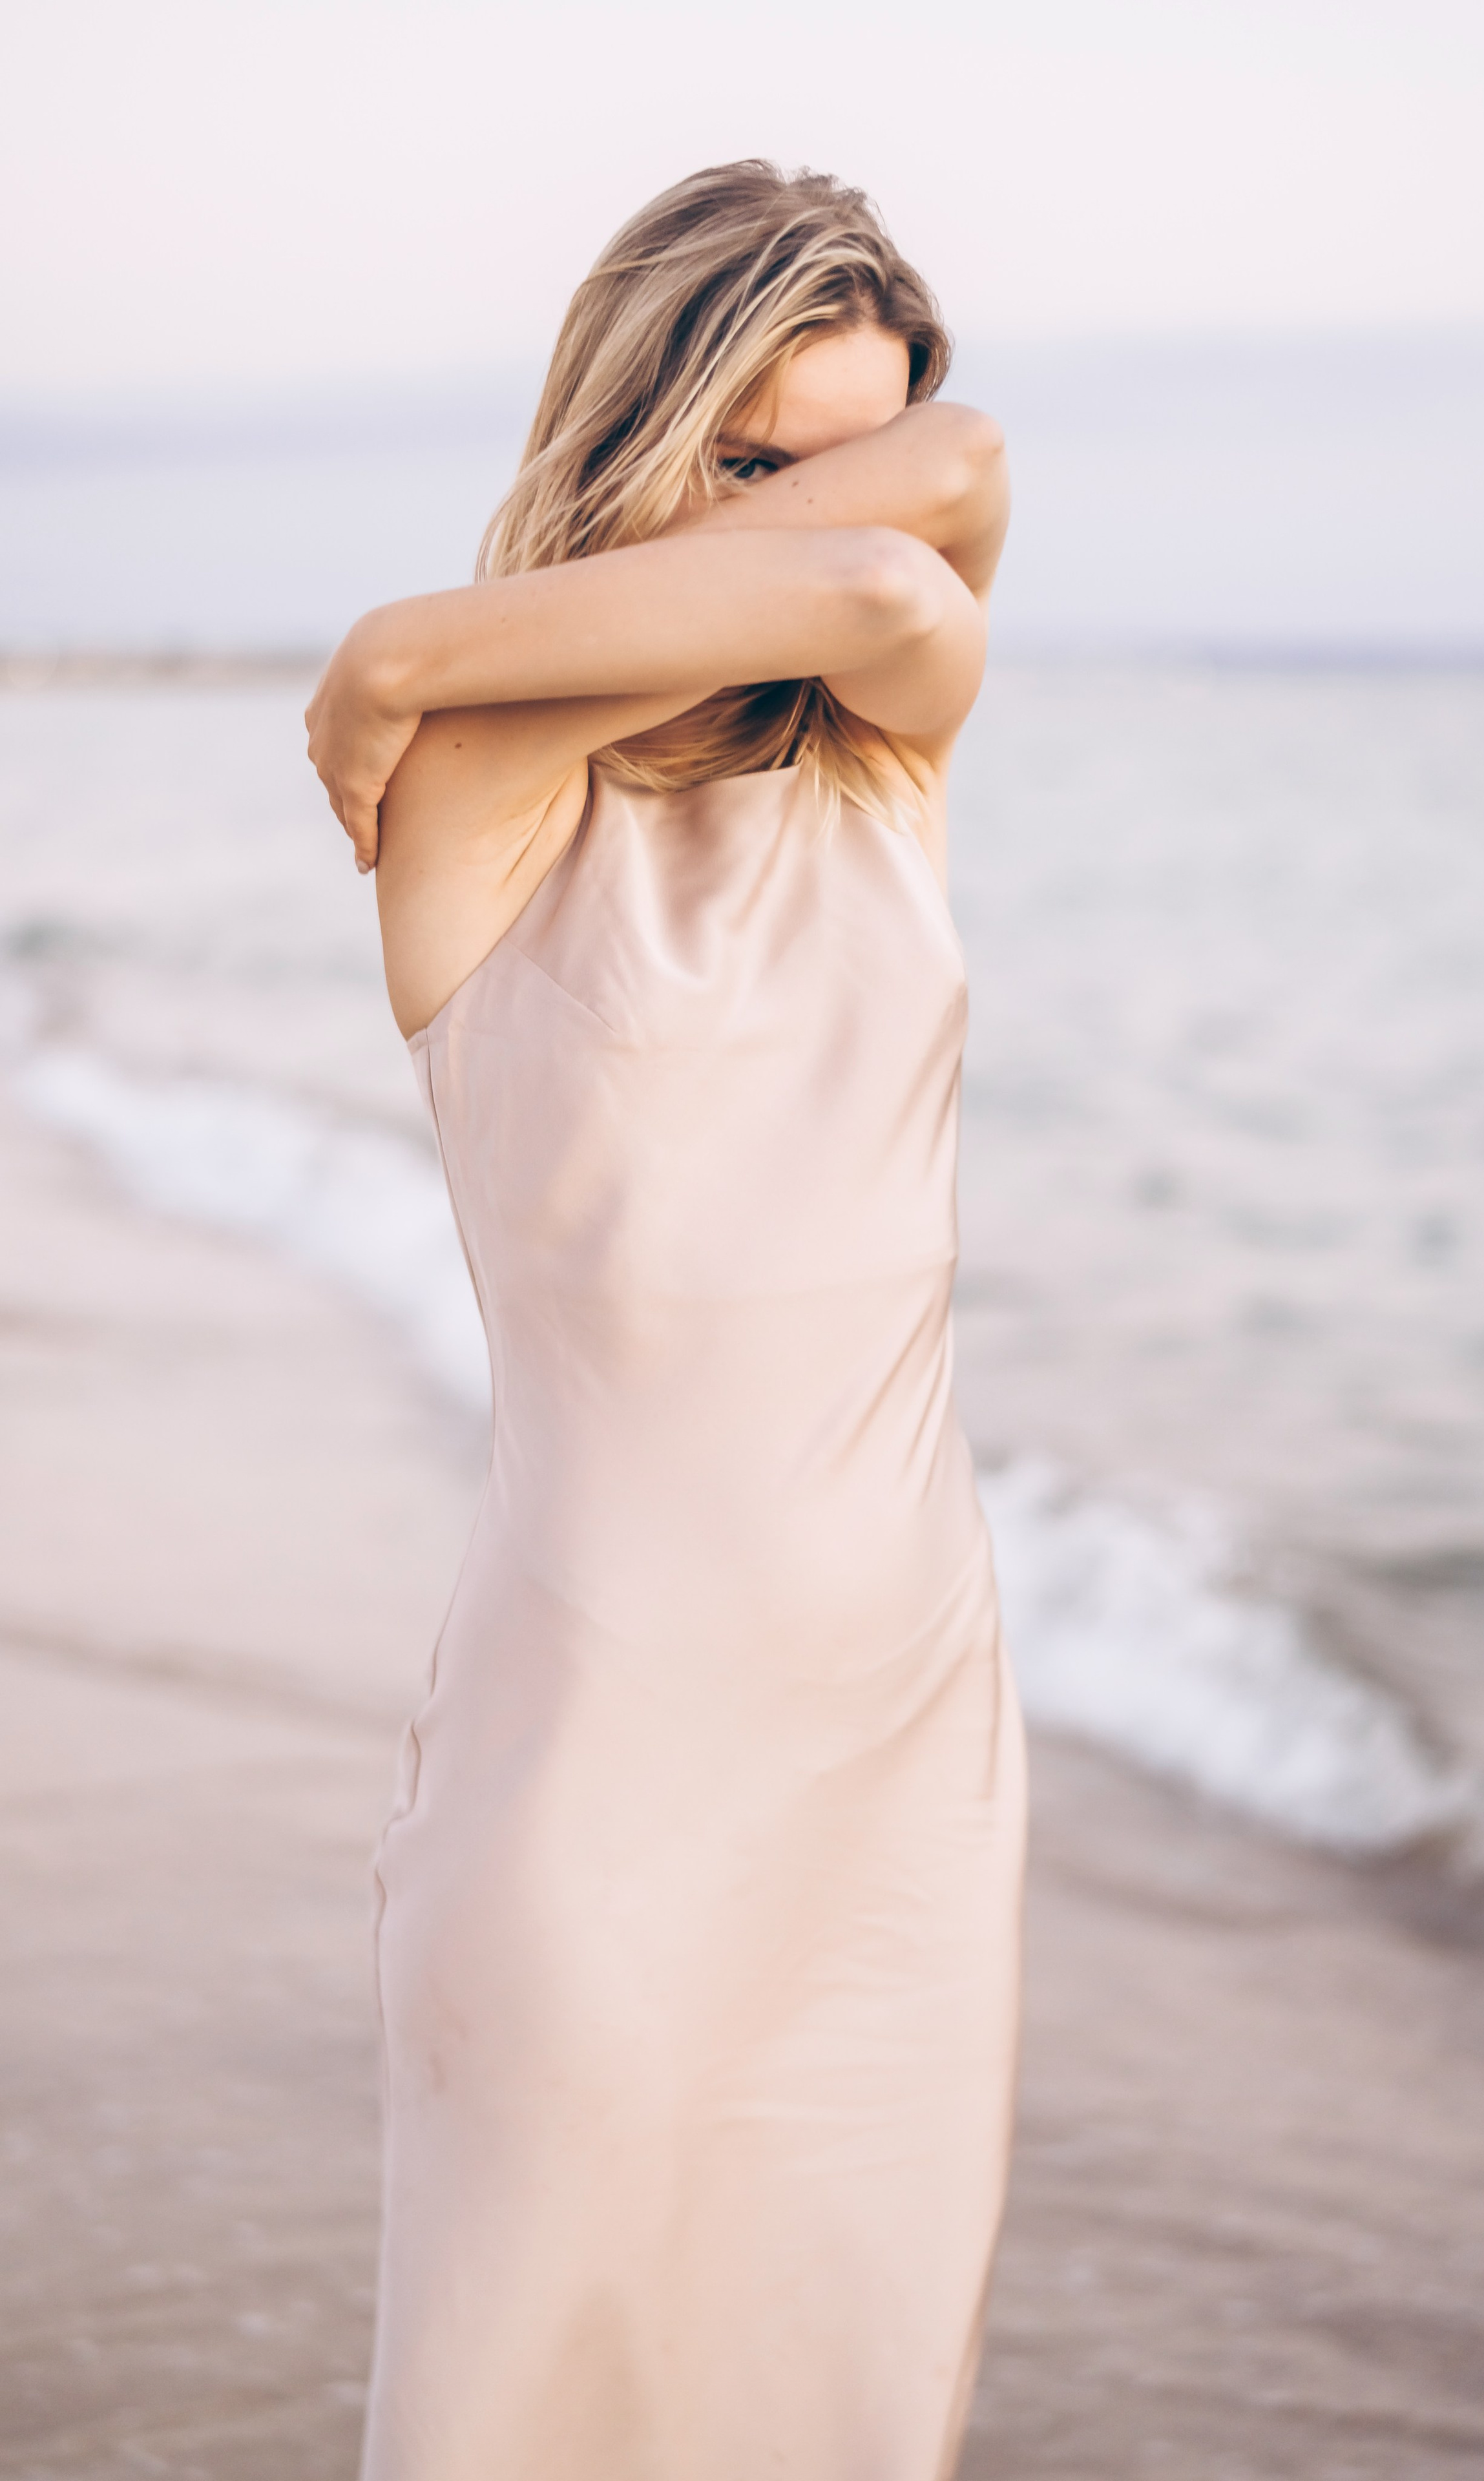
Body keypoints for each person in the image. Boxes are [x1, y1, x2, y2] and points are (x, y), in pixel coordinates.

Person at [305, 158, 1026, 2481]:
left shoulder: (889, 729)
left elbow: (957, 481)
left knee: (839, 2417)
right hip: (593, 1780)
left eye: (845, 455)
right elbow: (865, 537)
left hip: (904, 1770)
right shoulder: (479, 800)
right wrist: (434, 669)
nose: (825, 534)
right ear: (632, 423)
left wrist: (397, 634)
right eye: (747, 454)